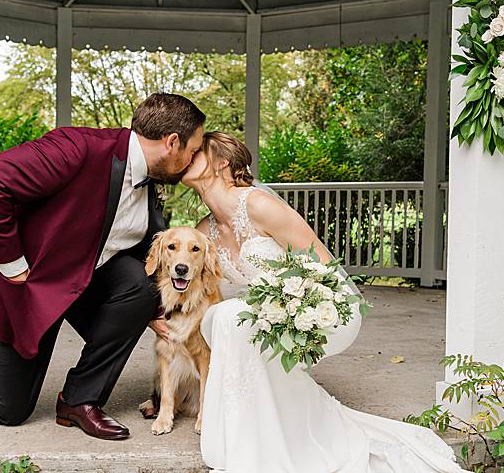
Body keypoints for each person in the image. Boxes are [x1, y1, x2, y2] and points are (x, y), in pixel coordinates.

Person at [174, 131, 469, 472]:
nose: (187, 156)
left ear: (222, 162)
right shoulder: (204, 231)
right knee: (221, 317)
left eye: (196, 151)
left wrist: (290, 306)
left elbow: (323, 267)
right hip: (267, 317)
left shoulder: (257, 205)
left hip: (322, 308)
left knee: (229, 315)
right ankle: (256, 439)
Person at [0, 93, 206, 440]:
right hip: (17, 289)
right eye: (194, 150)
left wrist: (151, 311)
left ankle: (80, 400)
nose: (194, 159)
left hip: (77, 283)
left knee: (141, 284)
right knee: (9, 410)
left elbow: (137, 250)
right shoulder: (78, 147)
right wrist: (12, 264)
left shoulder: (149, 182)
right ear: (172, 142)